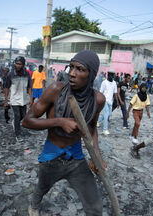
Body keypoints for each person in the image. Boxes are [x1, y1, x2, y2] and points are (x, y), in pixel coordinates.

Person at [22, 50, 106, 216]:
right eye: (71, 67)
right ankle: (34, 204)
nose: (72, 74)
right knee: (42, 187)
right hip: (51, 155)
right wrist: (59, 121)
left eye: (80, 69)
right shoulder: (55, 90)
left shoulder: (98, 100)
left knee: (95, 206)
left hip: (76, 157)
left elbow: (92, 128)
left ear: (91, 75)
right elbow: (26, 121)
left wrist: (97, 156)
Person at [3, 56, 32, 141]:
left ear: (23, 65)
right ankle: (18, 134)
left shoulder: (27, 74)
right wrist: (6, 101)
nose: (18, 65)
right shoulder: (10, 74)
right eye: (17, 63)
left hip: (24, 98)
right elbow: (7, 88)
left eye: (20, 64)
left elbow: (29, 87)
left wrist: (31, 99)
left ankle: (15, 123)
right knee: (17, 115)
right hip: (14, 99)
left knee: (23, 116)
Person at [97, 68, 119, 135]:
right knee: (106, 115)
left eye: (113, 75)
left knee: (109, 114)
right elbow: (101, 92)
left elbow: (115, 93)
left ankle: (97, 121)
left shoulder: (114, 83)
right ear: (108, 75)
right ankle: (105, 130)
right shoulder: (104, 82)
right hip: (105, 101)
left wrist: (117, 102)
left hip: (110, 101)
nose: (112, 76)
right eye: (111, 75)